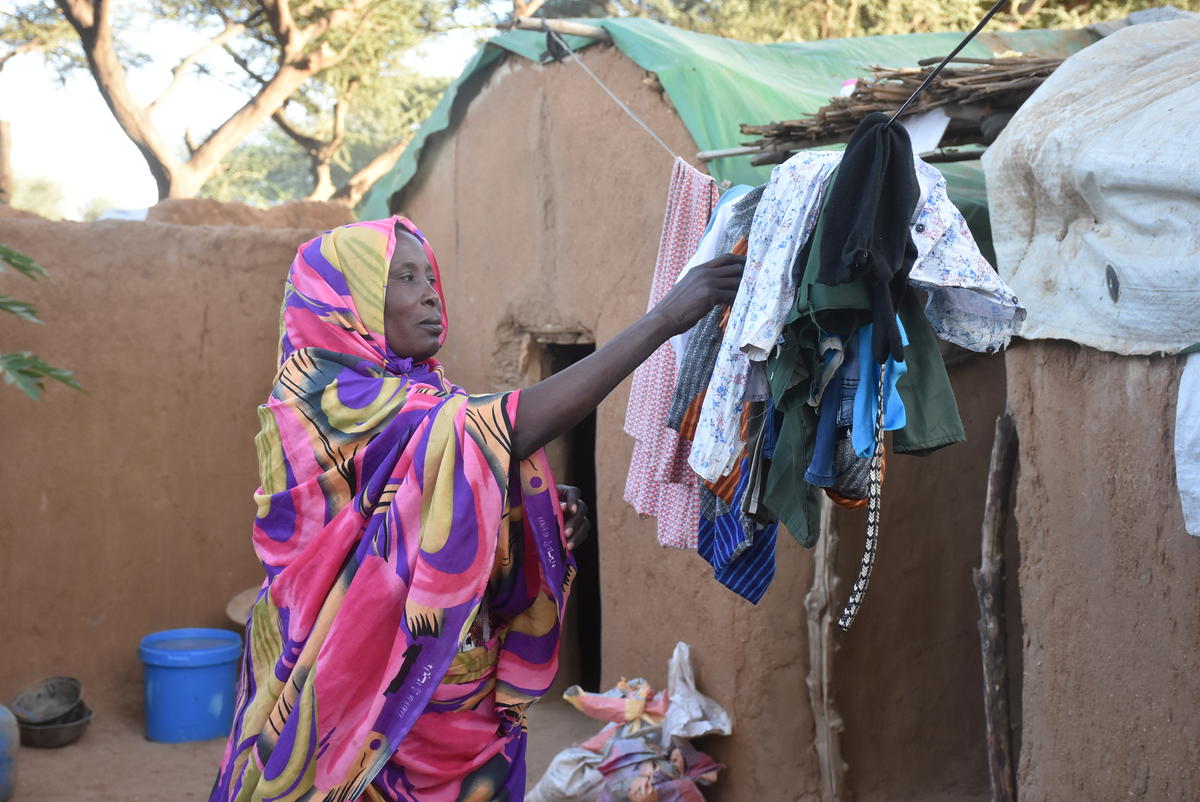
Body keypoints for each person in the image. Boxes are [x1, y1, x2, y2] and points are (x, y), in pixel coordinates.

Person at [209, 215, 743, 802]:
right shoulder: (320, 397)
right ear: (347, 301)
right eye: (404, 277)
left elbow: (448, 496)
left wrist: (529, 514)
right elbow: (508, 426)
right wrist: (665, 320)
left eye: (428, 274)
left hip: (455, 694)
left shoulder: (425, 394)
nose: (431, 290)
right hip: (356, 685)